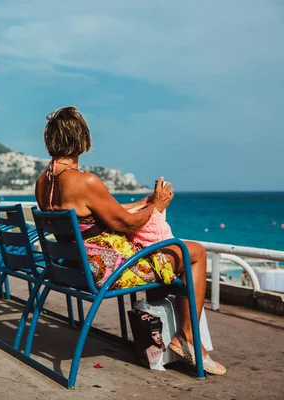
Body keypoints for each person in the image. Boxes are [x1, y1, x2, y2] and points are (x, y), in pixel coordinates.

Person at [35, 106, 225, 375]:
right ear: (82, 139)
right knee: (194, 252)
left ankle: (157, 343)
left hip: (72, 267)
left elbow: (100, 213)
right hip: (106, 270)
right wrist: (156, 206)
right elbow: (127, 223)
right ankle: (188, 337)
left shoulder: (43, 181)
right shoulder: (85, 181)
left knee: (165, 256)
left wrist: (142, 203)